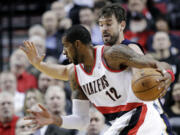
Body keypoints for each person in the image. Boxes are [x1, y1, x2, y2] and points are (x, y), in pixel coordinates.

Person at [22, 4, 173, 134]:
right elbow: (81, 120)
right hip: (121, 124)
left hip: (141, 117)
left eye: (66, 47)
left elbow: (151, 63)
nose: (63, 52)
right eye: (101, 25)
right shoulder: (76, 73)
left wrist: (167, 74)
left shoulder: (112, 54)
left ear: (77, 45)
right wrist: (54, 119)